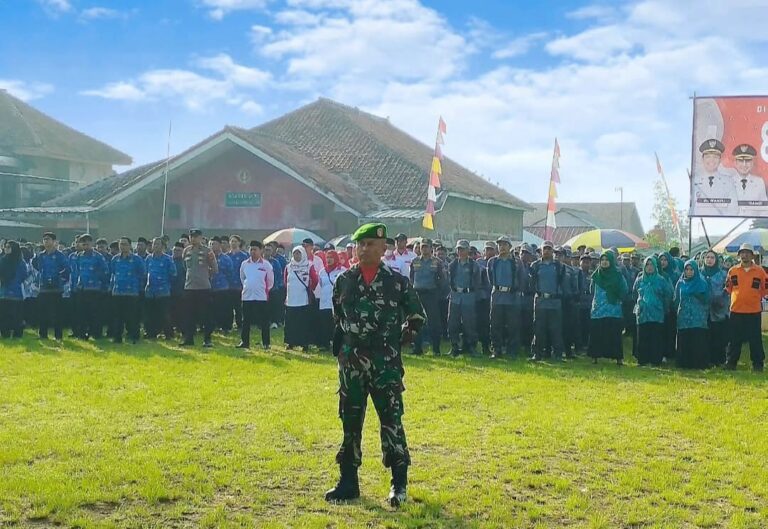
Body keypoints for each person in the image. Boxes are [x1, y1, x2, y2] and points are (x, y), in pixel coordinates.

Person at [325, 222, 425, 507]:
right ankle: (348, 482)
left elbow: (417, 317)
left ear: (384, 248)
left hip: (385, 365)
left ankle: (398, 483)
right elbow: (338, 316)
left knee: (391, 423)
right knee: (350, 422)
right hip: (352, 365)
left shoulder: (397, 282)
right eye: (361, 244)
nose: (365, 249)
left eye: (371, 244)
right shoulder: (345, 280)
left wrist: (397, 342)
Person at [725, 243, 767, 372]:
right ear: (739, 255)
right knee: (734, 338)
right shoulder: (732, 271)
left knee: (755, 339)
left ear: (752, 255)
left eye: (747, 253)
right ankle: (731, 363)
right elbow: (728, 288)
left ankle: (758, 364)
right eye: (742, 253)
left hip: (753, 310)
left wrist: (753, 297)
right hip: (736, 310)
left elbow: (764, 289)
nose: (745, 255)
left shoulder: (760, 271)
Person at [487, 236, 526, 359]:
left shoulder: (516, 262)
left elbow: (522, 279)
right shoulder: (492, 261)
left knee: (513, 325)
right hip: (497, 296)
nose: (502, 247)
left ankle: (512, 350)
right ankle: (496, 349)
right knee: (495, 325)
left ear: (510, 247)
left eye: (505, 244)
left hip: (512, 297)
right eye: (500, 245)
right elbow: (490, 279)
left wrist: (517, 291)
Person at [529, 241, 568, 361]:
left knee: (556, 329)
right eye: (544, 249)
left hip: (555, 302)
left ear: (553, 251)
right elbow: (532, 283)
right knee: (539, 329)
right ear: (541, 251)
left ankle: (557, 354)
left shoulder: (559, 266)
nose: (546, 251)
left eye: (549, 249)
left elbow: (563, 283)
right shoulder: (535, 265)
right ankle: (537, 354)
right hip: (540, 301)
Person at [180, 229, 218, 348]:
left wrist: (205, 276)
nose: (193, 239)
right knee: (188, 315)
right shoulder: (186, 251)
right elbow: (185, 267)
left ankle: (207, 339)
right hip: (189, 287)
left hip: (203, 287)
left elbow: (215, 269)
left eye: (196, 237)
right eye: (192, 236)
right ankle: (189, 338)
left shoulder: (207, 251)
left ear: (201, 238)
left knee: (206, 315)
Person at [588, 251, 628, 365]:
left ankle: (618, 358)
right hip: (598, 309)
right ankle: (595, 357)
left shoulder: (618, 275)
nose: (604, 262)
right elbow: (592, 290)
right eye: (602, 260)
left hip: (613, 309)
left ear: (611, 261)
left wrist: (615, 296)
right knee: (597, 333)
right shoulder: (596, 275)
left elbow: (624, 290)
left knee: (614, 334)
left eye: (607, 260)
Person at [633, 256, 672, 366]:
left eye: (651, 265)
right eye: (647, 265)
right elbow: (634, 293)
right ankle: (642, 360)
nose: (649, 267)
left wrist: (663, 307)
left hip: (657, 312)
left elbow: (668, 294)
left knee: (656, 337)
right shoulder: (640, 280)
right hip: (642, 313)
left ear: (655, 266)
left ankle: (655, 360)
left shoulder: (661, 280)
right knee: (643, 336)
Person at [409, 238, 445, 355]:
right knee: (416, 321)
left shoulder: (437, 262)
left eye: (426, 247)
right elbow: (412, 278)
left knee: (434, 322)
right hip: (418, 294)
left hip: (431, 294)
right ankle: (417, 348)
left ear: (431, 248)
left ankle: (436, 349)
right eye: (422, 246)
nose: (424, 249)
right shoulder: (414, 261)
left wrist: (436, 292)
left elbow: (442, 279)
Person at [32, 232, 70, 341]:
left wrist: (59, 279)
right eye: (44, 239)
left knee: (57, 313)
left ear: (54, 242)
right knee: (42, 312)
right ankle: (42, 334)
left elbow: (67, 269)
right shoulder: (41, 255)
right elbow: (36, 266)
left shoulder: (60, 255)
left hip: (56, 288)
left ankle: (58, 335)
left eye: (48, 239)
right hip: (43, 288)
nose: (46, 241)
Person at [447, 239, 482, 356]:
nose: (460, 251)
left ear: (468, 250)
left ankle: (471, 347)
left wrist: (473, 295)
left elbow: (478, 282)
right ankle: (454, 346)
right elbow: (448, 280)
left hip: (469, 296)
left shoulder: (474, 265)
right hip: (455, 296)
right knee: (453, 322)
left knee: (470, 323)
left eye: (463, 249)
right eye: (459, 249)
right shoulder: (452, 265)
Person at [237, 240, 274, 350]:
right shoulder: (244, 264)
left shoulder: (266, 264)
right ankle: (245, 342)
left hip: (261, 296)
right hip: (247, 296)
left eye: (255, 249)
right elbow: (242, 278)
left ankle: (266, 343)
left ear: (261, 250)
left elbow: (270, 281)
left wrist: (263, 289)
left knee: (264, 321)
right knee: (246, 320)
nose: (253, 252)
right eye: (251, 249)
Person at [109, 237, 146, 344]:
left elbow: (143, 274)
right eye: (121, 244)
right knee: (117, 316)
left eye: (125, 244)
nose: (123, 246)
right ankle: (117, 337)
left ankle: (134, 336)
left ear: (130, 246)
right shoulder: (115, 259)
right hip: (117, 291)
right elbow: (113, 273)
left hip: (132, 292)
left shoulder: (137, 259)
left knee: (132, 316)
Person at [674, 260, 710, 369]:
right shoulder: (680, 283)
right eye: (687, 269)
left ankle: (698, 364)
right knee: (684, 340)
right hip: (684, 316)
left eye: (691, 269)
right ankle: (684, 363)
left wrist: (696, 294)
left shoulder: (702, 283)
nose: (689, 272)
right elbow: (676, 299)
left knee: (697, 340)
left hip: (698, 317)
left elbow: (707, 299)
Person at [72, 234, 109, 340]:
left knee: (95, 313)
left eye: (87, 242)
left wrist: (100, 282)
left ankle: (96, 334)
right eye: (83, 243)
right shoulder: (79, 256)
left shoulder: (98, 256)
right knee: (82, 313)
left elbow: (105, 271)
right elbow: (78, 271)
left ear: (92, 244)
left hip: (95, 288)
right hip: (82, 288)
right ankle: (82, 334)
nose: (85, 245)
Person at [692, 138, 738, 215]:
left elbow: (734, 210)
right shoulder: (694, 182)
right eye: (708, 157)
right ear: (702, 159)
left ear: (720, 160)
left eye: (715, 157)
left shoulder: (728, 181)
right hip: (699, 224)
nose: (712, 160)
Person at [284, 246, 318, 351]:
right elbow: (285, 280)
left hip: (303, 299)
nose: (296, 255)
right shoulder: (289, 266)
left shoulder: (309, 265)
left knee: (303, 322)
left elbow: (315, 279)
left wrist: (309, 289)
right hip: (291, 299)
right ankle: (290, 342)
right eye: (295, 253)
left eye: (298, 253)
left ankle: (304, 343)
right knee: (291, 322)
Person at [700, 250, 729, 366]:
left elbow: (727, 291)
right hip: (703, 310)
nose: (709, 260)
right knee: (705, 336)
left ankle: (719, 360)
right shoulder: (699, 273)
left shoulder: (723, 274)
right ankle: (706, 359)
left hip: (719, 310)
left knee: (718, 336)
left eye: (712, 257)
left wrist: (720, 301)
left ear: (716, 260)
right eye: (707, 257)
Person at [144, 237, 177, 339]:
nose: (155, 246)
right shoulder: (148, 258)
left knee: (164, 314)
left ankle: (168, 334)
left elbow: (173, 274)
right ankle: (151, 333)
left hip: (163, 291)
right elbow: (145, 273)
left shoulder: (168, 259)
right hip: (150, 290)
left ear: (163, 246)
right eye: (154, 244)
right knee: (150, 314)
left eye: (158, 244)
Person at [0, 240, 29, 338]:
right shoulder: (2, 260)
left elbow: (24, 275)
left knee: (16, 315)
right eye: (5, 247)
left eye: (8, 247)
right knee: (3, 315)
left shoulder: (20, 262)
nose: (6, 249)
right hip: (3, 291)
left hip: (16, 292)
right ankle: (5, 333)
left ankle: (17, 334)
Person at [316, 250, 344, 350]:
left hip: (336, 302)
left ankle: (336, 344)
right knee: (324, 323)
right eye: (327, 257)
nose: (329, 260)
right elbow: (320, 284)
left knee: (335, 324)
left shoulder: (342, 270)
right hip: (324, 302)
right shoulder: (322, 271)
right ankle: (324, 344)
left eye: (331, 257)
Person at [731, 144, 768, 216]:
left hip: (752, 224)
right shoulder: (728, 182)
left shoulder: (759, 182)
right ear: (735, 163)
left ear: (752, 163)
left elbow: (764, 209)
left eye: (747, 161)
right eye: (741, 161)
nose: (744, 165)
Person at [209, 237, 235, 332]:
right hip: (210, 286)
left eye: (214, 244)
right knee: (212, 309)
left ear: (220, 245)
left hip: (223, 287)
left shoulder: (226, 258)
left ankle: (226, 327)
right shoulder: (208, 258)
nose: (212, 246)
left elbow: (230, 273)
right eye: (210, 244)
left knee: (224, 308)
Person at [227, 235, 249, 330]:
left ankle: (240, 324)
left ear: (239, 243)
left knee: (239, 307)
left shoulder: (244, 256)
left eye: (235, 241)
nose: (233, 243)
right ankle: (228, 325)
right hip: (228, 285)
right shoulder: (227, 256)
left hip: (240, 285)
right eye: (232, 241)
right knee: (228, 307)